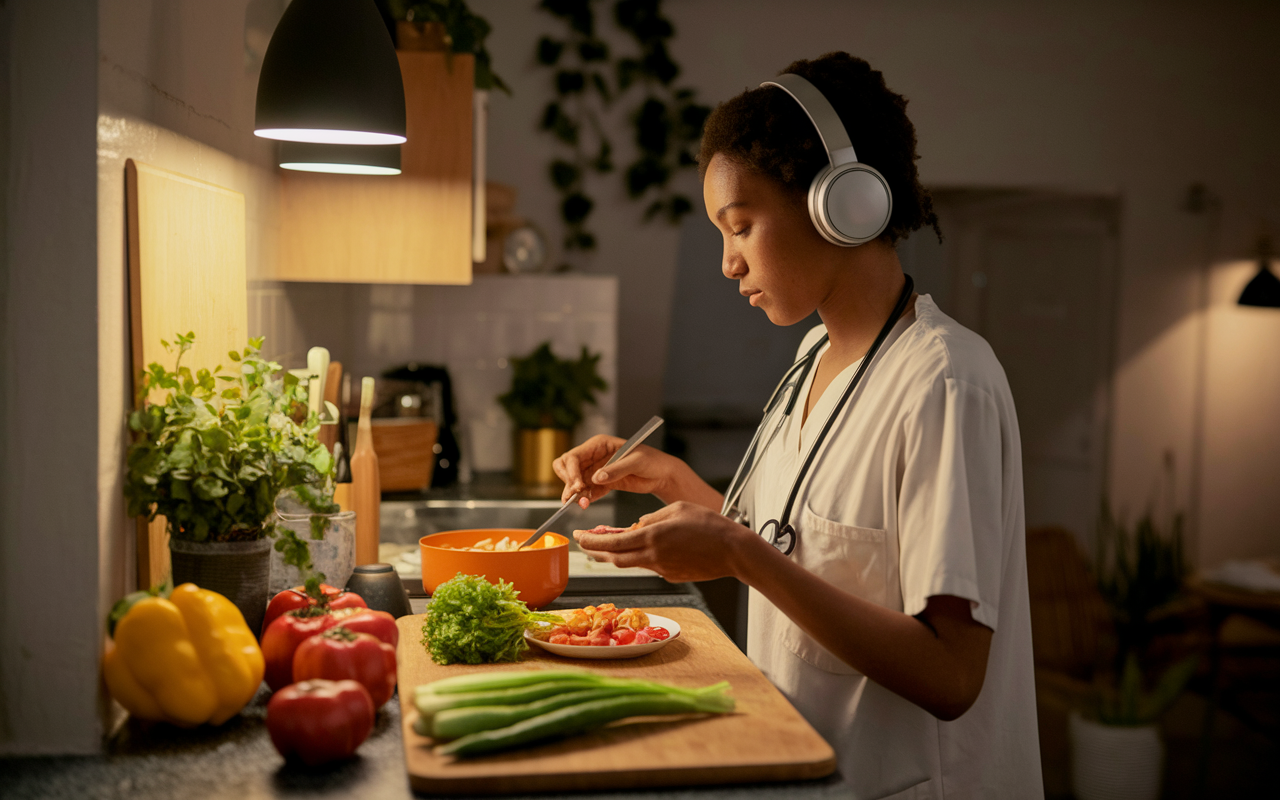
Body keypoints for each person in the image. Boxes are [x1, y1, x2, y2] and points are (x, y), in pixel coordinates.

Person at [553, 52, 1043, 799]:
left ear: (838, 205)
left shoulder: (946, 382)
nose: (727, 263)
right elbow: (797, 549)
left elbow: (950, 673)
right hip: (801, 768)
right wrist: (678, 484)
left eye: (741, 226)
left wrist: (736, 554)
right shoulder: (814, 354)